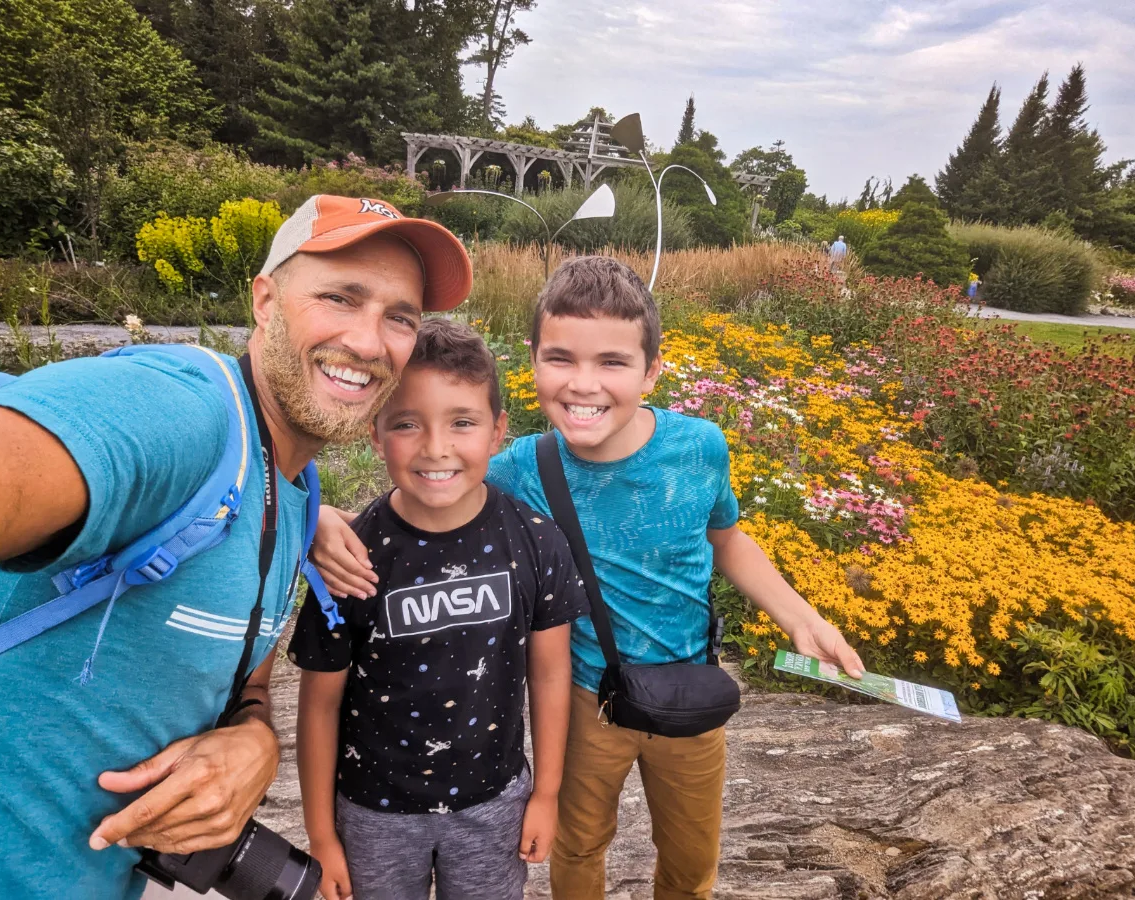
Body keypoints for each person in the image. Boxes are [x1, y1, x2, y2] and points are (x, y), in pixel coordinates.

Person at [315, 256, 864, 900]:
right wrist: (320, 518)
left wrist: (801, 618)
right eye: (561, 359)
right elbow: (433, 494)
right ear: (533, 360)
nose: (583, 384)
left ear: (651, 369)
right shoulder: (518, 466)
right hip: (584, 698)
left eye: (611, 362)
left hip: (689, 692)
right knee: (578, 846)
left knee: (691, 860)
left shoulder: (700, 447)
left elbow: (727, 540)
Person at [0, 194, 472, 899]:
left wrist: (256, 743)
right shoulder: (184, 412)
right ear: (266, 301)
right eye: (340, 297)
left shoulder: (293, 490)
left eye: (400, 316)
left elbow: (247, 685)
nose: (370, 342)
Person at [296, 318, 587, 900]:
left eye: (462, 422)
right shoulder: (351, 558)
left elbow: (552, 674)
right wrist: (322, 836)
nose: (436, 447)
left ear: (498, 430)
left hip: (495, 805)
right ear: (375, 435)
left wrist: (547, 794)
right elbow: (319, 706)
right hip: (374, 814)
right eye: (406, 424)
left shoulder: (535, 540)